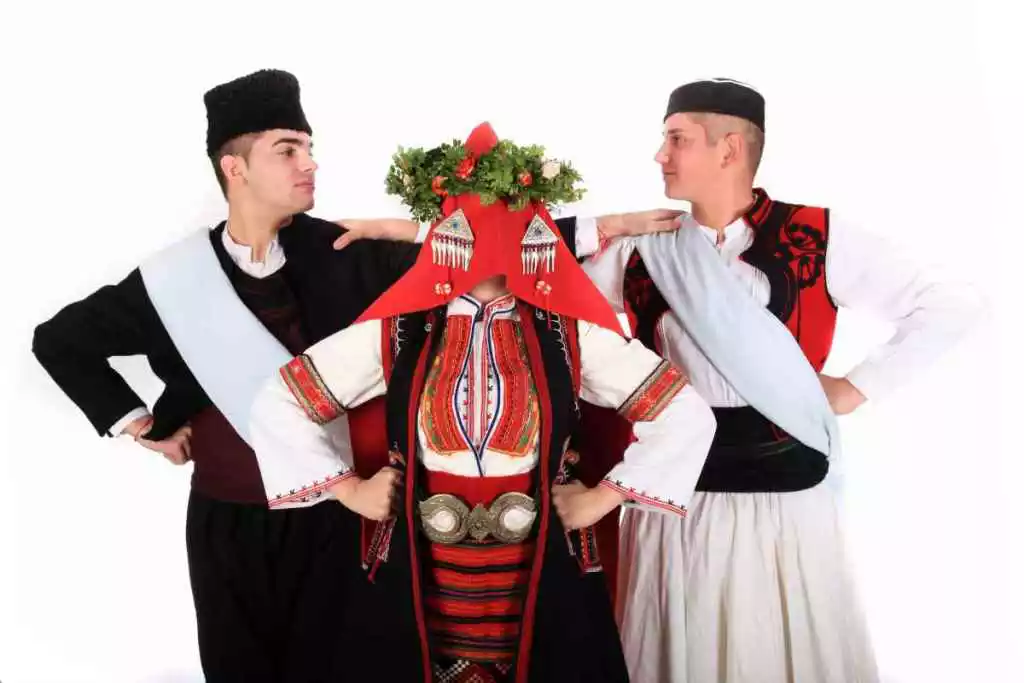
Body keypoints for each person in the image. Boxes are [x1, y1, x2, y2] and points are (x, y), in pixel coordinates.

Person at [247, 122, 718, 683]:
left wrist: (601, 499)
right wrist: (350, 490)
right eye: (470, 225)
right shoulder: (400, 330)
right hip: (424, 569)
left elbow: (684, 413)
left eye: (508, 223)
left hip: (539, 566)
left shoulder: (568, 334)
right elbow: (282, 399)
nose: (489, 239)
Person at [578, 77, 985, 683]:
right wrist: (607, 224)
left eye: (677, 139)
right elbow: (536, 288)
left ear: (729, 148)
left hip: (785, 501)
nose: (660, 155)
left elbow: (953, 304)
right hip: (675, 500)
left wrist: (856, 386)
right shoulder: (642, 247)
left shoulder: (818, 236)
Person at [30, 68, 423, 682]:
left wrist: (409, 230)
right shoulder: (175, 280)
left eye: (309, 147)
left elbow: (492, 259)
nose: (310, 163)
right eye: (287, 150)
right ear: (233, 168)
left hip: (343, 518)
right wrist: (140, 424)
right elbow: (59, 341)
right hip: (226, 525)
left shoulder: (351, 250)